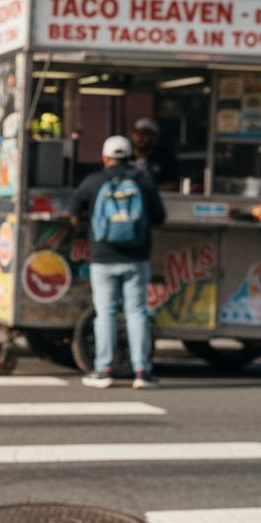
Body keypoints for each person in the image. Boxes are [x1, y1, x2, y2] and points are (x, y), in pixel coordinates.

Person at [71, 135, 166, 389]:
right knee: (137, 312)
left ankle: (103, 370)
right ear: (129, 156)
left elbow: (74, 215)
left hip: (102, 257)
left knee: (105, 312)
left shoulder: (93, 181)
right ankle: (142, 372)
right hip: (137, 258)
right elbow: (159, 217)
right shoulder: (143, 180)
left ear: (105, 157)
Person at [130, 117, 180, 191]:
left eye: (145, 134)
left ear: (155, 137)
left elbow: (173, 184)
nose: (140, 138)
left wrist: (149, 191)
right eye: (137, 133)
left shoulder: (165, 157)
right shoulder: (125, 156)